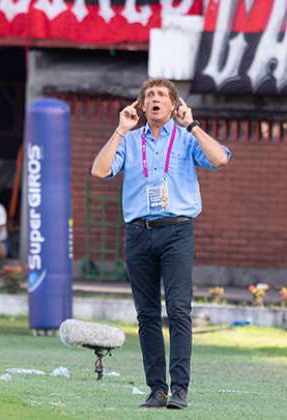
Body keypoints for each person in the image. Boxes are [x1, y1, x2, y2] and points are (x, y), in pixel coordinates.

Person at [90, 78, 231, 409]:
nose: (154, 99)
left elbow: (220, 159)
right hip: (139, 232)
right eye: (149, 95)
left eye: (161, 95)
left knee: (179, 309)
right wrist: (121, 130)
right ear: (141, 105)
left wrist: (192, 124)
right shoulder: (130, 139)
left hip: (177, 231)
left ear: (173, 104)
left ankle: (179, 389)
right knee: (147, 314)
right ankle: (157, 389)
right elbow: (100, 170)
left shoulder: (185, 138)